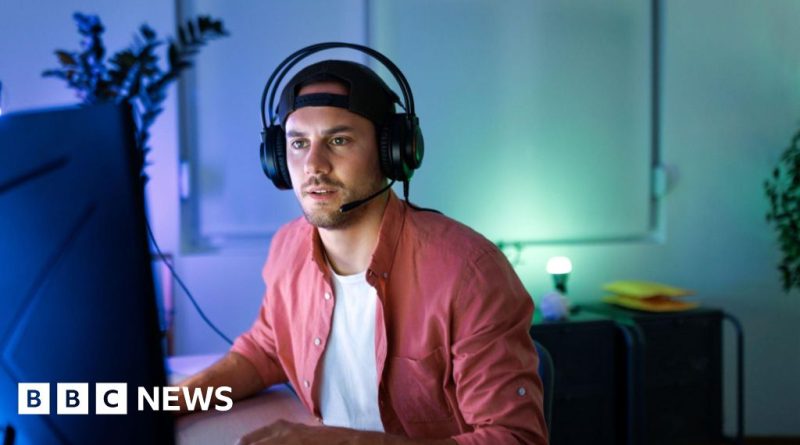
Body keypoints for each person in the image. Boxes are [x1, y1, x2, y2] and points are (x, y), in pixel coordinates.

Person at [178, 50, 547, 445]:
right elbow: (264, 353)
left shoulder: (468, 272)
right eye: (298, 143)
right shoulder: (289, 247)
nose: (314, 165)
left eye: (338, 140)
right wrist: (171, 400)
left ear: (392, 153)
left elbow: (515, 438)